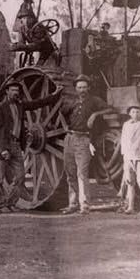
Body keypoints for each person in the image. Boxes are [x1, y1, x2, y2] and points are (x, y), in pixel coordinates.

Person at [0, 81, 62, 212]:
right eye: (12, 90)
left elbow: (37, 103)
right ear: (7, 92)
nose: (15, 92)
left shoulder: (20, 105)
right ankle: (1, 205)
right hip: (3, 147)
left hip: (16, 145)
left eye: (17, 90)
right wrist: (3, 149)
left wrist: (54, 95)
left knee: (20, 177)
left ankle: (10, 202)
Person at [59, 75, 113, 215]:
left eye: (84, 87)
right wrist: (65, 128)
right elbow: (61, 113)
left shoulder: (94, 101)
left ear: (88, 88)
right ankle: (73, 204)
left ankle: (84, 205)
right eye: (79, 87)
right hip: (69, 138)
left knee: (82, 173)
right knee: (70, 173)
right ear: (76, 88)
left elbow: (109, 109)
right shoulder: (71, 101)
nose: (82, 90)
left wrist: (94, 114)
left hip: (84, 140)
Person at [119, 105, 140, 214]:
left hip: (139, 156)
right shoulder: (126, 125)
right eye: (133, 112)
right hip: (128, 156)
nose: (135, 114)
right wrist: (124, 157)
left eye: (138, 112)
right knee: (130, 182)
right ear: (129, 114)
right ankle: (130, 207)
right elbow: (123, 140)